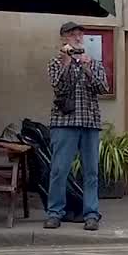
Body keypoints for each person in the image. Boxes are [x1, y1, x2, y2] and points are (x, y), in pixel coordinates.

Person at [45, 21, 109, 231]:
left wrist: (88, 68)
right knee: (59, 170)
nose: (78, 37)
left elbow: (102, 88)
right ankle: (55, 212)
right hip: (64, 123)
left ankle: (91, 214)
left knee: (91, 172)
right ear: (64, 38)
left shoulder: (93, 62)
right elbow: (58, 88)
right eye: (73, 34)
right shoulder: (56, 62)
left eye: (80, 34)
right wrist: (66, 64)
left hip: (89, 122)